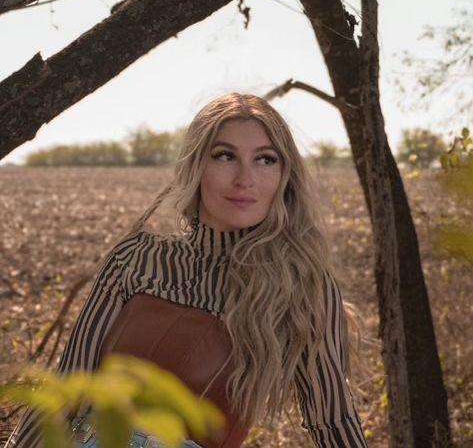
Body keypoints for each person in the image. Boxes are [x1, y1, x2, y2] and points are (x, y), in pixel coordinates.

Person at [5, 92, 370, 448]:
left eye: (265, 159)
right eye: (225, 156)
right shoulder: (137, 258)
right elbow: (68, 383)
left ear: (284, 175)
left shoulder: (302, 284)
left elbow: (332, 420)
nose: (245, 178)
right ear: (196, 166)